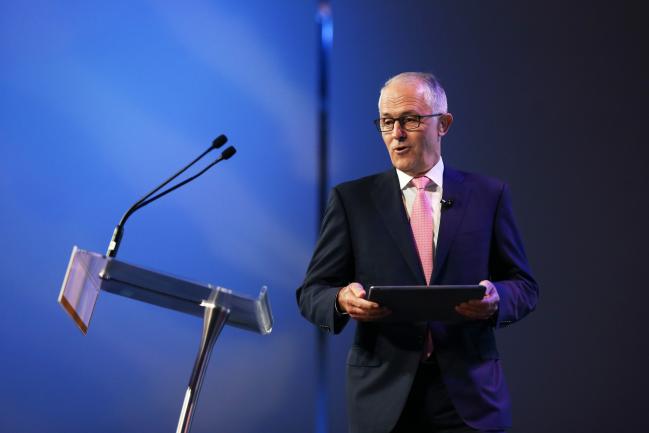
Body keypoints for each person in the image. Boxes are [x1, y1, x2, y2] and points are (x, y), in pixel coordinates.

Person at [296, 72, 538, 433]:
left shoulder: (489, 195)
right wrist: (341, 299)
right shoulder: (352, 200)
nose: (397, 133)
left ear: (444, 124)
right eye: (387, 122)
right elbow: (312, 292)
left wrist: (496, 298)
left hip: (469, 396)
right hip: (383, 397)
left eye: (410, 119)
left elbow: (524, 285)